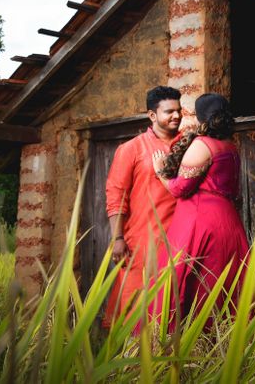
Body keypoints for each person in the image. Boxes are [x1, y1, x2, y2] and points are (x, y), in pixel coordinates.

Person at [148, 92, 249, 332]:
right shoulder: (230, 148)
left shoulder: (203, 145)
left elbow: (179, 189)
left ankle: (179, 344)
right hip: (229, 223)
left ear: (201, 116)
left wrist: (161, 171)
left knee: (185, 283)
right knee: (222, 283)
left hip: (200, 221)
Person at [102, 85, 183, 329]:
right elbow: (116, 194)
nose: (176, 116)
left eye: (179, 111)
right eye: (169, 111)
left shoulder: (189, 145)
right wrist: (117, 237)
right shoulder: (132, 149)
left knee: (176, 302)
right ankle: (131, 362)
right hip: (143, 240)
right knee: (134, 306)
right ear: (152, 115)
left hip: (182, 237)